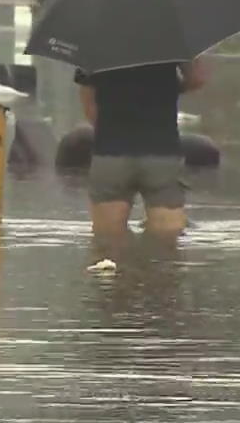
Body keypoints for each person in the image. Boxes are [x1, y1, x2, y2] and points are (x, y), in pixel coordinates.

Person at [75, 58, 208, 268]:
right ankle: (159, 290)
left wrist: (110, 129)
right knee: (166, 243)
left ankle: (113, 292)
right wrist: (171, 90)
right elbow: (198, 78)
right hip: (162, 152)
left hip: (111, 153)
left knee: (108, 242)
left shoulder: (96, 39)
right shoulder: (171, 32)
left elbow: (88, 101)